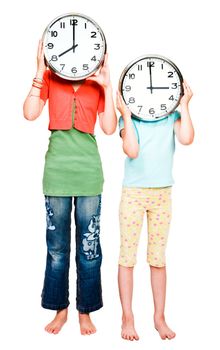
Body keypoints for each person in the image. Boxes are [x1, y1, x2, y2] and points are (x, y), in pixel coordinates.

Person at [23, 40, 117, 335]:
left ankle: (85, 312)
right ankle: (60, 308)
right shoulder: (51, 77)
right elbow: (29, 112)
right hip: (57, 173)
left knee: (89, 248)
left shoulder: (96, 85)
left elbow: (110, 128)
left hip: (89, 173)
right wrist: (39, 70)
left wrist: (107, 84)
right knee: (57, 249)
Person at [116, 81, 194, 341]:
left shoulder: (171, 114)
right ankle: (128, 317)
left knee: (158, 259)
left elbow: (187, 138)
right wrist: (125, 114)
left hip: (162, 193)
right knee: (127, 257)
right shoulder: (129, 118)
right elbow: (132, 151)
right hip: (134, 193)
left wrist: (184, 105)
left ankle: (159, 317)